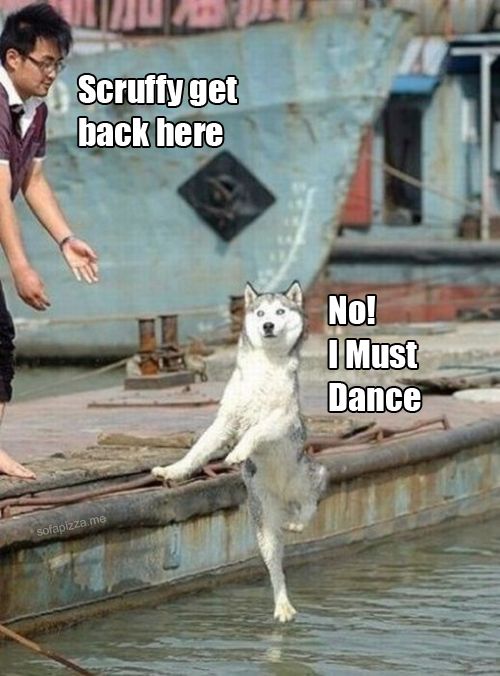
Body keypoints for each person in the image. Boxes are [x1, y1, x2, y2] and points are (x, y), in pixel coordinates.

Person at [0, 3, 98, 479]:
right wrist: (20, 266)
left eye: (58, 64)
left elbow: (32, 180)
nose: (52, 74)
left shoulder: (33, 112)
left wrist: (65, 239)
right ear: (13, 58)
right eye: (45, 63)